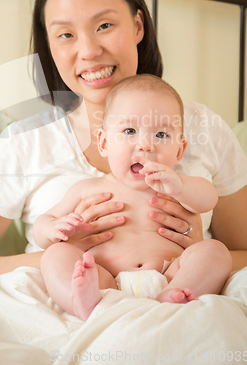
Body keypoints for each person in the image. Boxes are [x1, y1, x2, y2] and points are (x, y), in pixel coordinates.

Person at [0, 0, 247, 284]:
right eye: (66, 34)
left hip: (175, 301)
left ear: (138, 25)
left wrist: (195, 252)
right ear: (50, 47)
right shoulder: (25, 142)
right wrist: (63, 257)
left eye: (104, 25)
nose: (88, 51)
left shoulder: (203, 127)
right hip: (60, 316)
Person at [34, 75, 232, 320]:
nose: (146, 145)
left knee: (216, 251)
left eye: (161, 135)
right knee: (55, 255)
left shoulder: (178, 187)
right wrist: (52, 228)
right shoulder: (87, 188)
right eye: (129, 131)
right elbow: (43, 225)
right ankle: (83, 301)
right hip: (104, 279)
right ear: (104, 143)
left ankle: (174, 296)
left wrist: (180, 186)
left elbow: (208, 199)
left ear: (179, 150)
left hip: (169, 275)